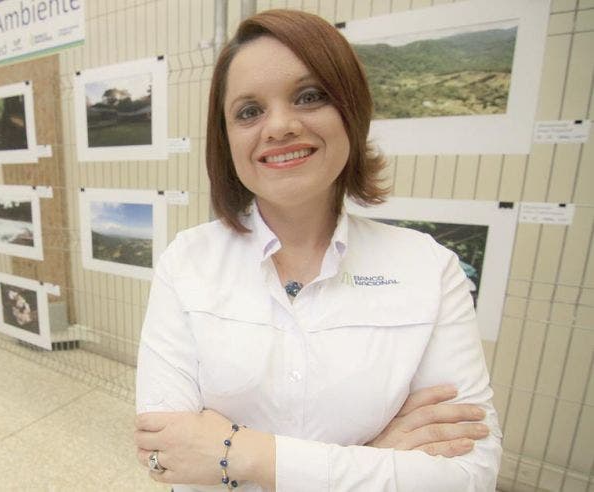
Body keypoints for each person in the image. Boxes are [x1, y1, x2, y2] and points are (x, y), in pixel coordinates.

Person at [133, 10, 501, 491]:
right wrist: (376, 459)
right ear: (226, 139)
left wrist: (241, 455)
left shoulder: (429, 268)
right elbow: (166, 456)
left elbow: (468, 476)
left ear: (350, 111)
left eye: (310, 97)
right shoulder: (187, 263)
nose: (280, 126)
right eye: (249, 111)